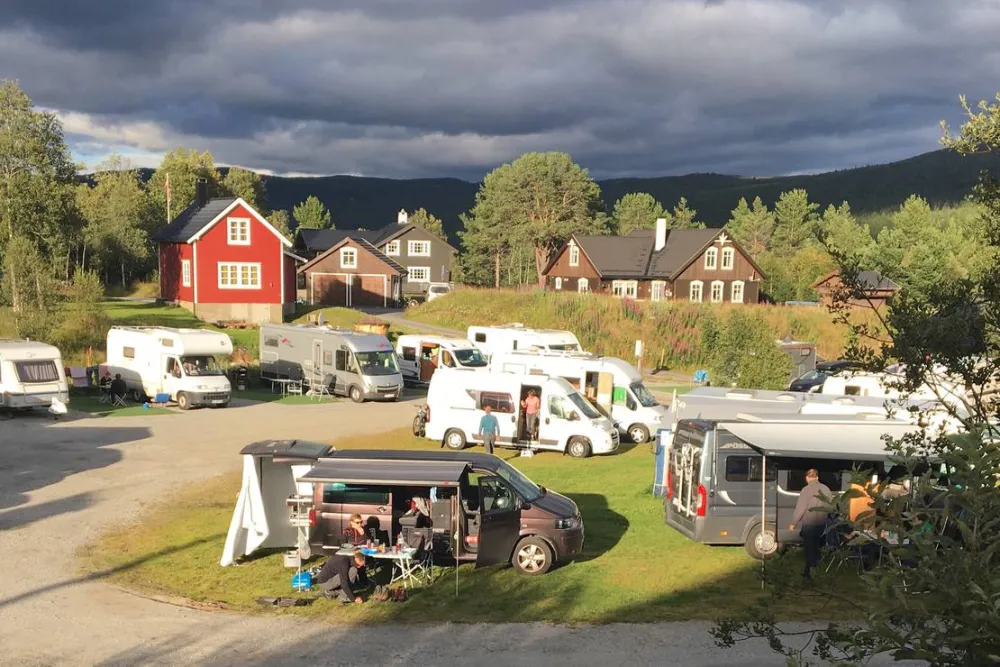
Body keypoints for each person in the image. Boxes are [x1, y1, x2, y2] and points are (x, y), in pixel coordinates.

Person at [790, 468, 832, 579]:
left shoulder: (806, 490)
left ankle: (810, 574)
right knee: (817, 548)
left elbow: (801, 508)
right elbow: (830, 507)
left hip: (809, 524)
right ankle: (810, 571)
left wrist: (793, 523)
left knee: (809, 550)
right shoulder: (826, 489)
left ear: (807, 478)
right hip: (822, 525)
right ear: (817, 477)